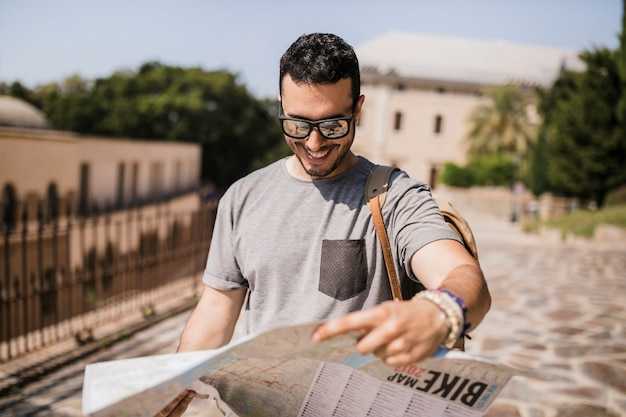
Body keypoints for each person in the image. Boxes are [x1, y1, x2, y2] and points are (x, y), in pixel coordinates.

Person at [177, 33, 491, 367]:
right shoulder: (242, 197)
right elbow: (216, 310)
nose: (314, 144)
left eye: (332, 126)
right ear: (281, 106)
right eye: (298, 125)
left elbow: (461, 274)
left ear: (358, 109)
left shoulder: (395, 196)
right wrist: (173, 386)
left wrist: (438, 312)